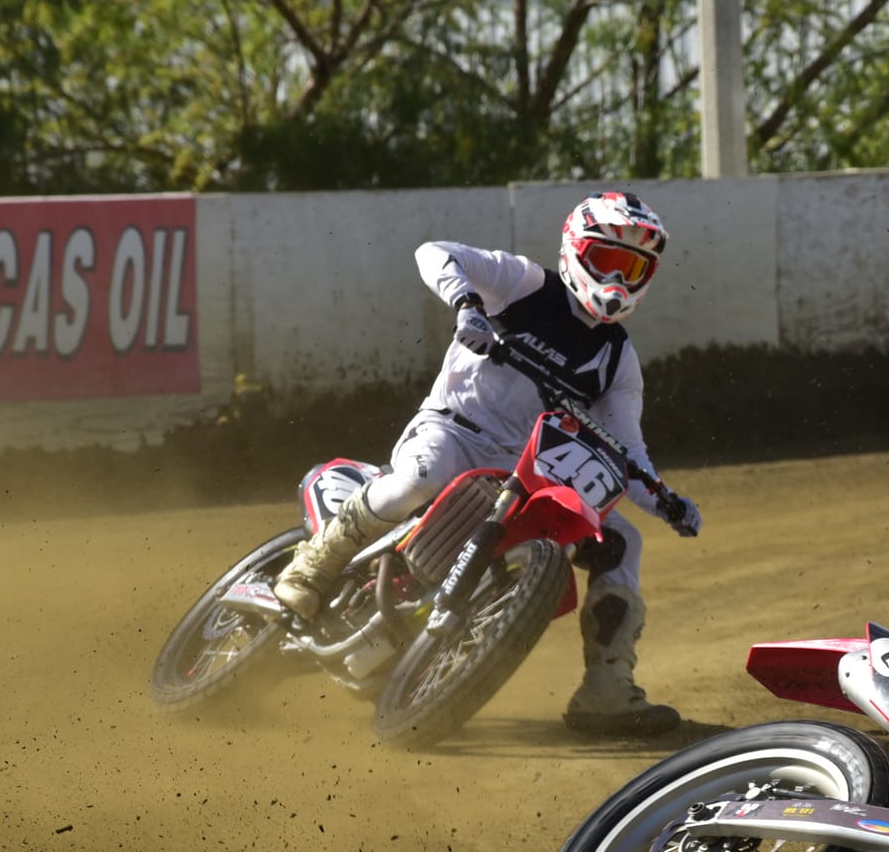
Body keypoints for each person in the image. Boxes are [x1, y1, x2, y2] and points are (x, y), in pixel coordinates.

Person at [273, 191, 703, 738]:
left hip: (531, 473)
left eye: (632, 266)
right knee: (421, 475)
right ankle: (317, 560)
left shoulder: (618, 358)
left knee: (624, 542)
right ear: (575, 251)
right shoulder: (525, 284)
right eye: (606, 260)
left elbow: (627, 450)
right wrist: (467, 305)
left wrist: (666, 502)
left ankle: (607, 687)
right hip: (453, 431)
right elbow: (434, 251)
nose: (617, 278)